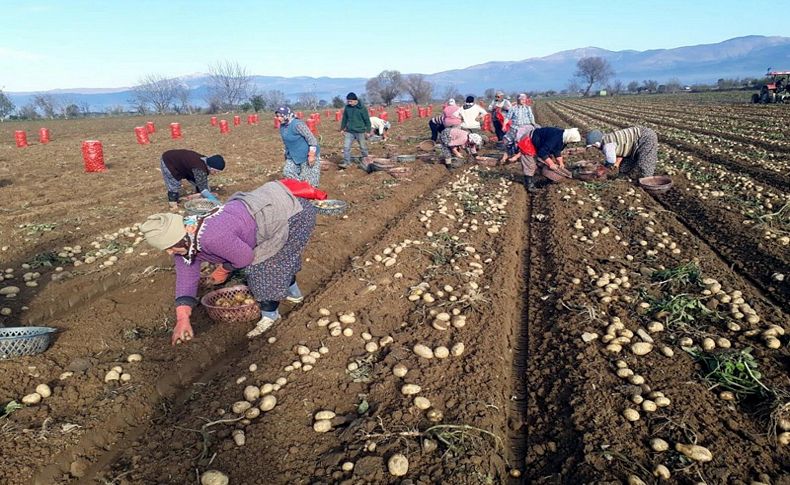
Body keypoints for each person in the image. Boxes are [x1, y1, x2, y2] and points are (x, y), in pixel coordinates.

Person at [141, 180, 317, 344]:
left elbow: (245, 258)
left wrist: (224, 269)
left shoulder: (212, 237)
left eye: (171, 247)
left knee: (264, 266)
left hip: (291, 215)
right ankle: (294, 295)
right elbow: (185, 278)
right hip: (268, 207)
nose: (170, 252)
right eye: (166, 249)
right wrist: (182, 319)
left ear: (182, 237)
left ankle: (270, 316)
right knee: (280, 260)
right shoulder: (187, 236)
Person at [506, 127, 581, 192]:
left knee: (545, 161)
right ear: (569, 137)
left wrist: (561, 163)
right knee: (530, 163)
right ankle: (529, 185)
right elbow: (542, 152)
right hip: (529, 140)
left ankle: (543, 179)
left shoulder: (563, 139)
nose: (572, 143)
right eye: (572, 141)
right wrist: (551, 164)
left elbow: (557, 150)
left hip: (539, 143)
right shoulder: (556, 138)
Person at [159, 149, 224, 210]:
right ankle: (173, 204)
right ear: (211, 168)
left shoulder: (205, 163)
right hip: (169, 161)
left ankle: (199, 194)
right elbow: (203, 186)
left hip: (183, 164)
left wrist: (205, 192)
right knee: (174, 182)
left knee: (199, 181)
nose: (216, 173)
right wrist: (213, 199)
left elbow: (201, 181)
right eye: (216, 171)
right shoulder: (199, 168)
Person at [585, 126, 658, 178]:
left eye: (594, 146)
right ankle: (625, 177)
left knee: (645, 164)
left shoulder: (607, 145)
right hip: (633, 143)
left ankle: (645, 182)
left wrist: (604, 169)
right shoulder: (608, 139)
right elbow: (619, 153)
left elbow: (611, 160)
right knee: (625, 165)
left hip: (645, 137)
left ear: (597, 143)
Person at [276, 106, 320, 187]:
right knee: (287, 172)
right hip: (293, 156)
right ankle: (300, 188)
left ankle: (309, 192)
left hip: (306, 155)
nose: (278, 118)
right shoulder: (282, 126)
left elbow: (311, 139)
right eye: (277, 116)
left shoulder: (298, 124)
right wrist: (286, 154)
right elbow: (286, 142)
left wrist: (312, 155)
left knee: (309, 182)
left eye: (281, 116)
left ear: (287, 115)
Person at [340, 92, 371, 169]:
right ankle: (347, 163)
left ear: (355, 100)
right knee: (346, 147)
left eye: (350, 101)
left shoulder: (362, 108)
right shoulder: (347, 108)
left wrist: (368, 131)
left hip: (360, 131)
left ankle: (366, 161)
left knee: (363, 147)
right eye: (348, 101)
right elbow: (344, 119)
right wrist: (342, 128)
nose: (349, 103)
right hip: (349, 131)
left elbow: (367, 120)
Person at [501, 93, 536, 160]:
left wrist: (534, 125)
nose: (523, 101)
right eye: (521, 99)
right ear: (518, 100)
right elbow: (508, 118)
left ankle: (518, 156)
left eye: (524, 99)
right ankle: (506, 155)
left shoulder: (527, 108)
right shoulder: (513, 108)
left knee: (524, 143)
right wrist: (504, 125)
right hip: (515, 127)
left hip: (526, 128)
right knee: (507, 141)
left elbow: (531, 117)